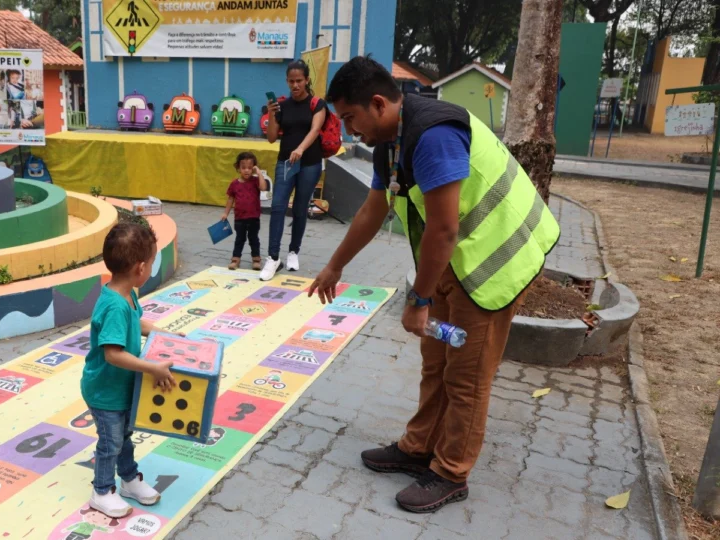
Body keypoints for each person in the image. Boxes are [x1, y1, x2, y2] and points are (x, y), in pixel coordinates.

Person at [308, 56, 559, 513]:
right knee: (436, 358)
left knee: (467, 377)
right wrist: (335, 265)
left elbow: (443, 230)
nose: (348, 132)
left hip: (492, 270)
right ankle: (418, 446)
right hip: (453, 267)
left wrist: (417, 300)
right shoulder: (390, 138)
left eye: (350, 119)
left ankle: (450, 472)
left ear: (379, 103)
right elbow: (373, 208)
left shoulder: (433, 136)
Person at [81, 222, 180, 518]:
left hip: (121, 389)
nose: (150, 268)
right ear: (140, 268)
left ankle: (128, 479)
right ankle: (101, 491)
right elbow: (112, 354)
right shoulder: (115, 305)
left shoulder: (125, 293)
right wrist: (152, 368)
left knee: (124, 436)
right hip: (105, 391)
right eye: (151, 262)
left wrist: (164, 335)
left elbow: (138, 324)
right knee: (111, 442)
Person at [262, 60, 327, 280]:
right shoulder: (282, 106)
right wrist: (272, 114)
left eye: (299, 80)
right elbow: (271, 138)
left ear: (307, 80)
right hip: (285, 163)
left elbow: (316, 129)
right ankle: (272, 257)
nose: (295, 85)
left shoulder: (317, 104)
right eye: (291, 81)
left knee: (300, 208)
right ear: (287, 82)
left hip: (310, 163)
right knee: (278, 206)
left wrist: (300, 148)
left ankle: (293, 251)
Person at [221, 152, 269, 271]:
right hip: (239, 218)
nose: (246, 170)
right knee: (239, 239)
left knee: (254, 239)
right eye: (243, 168)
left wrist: (259, 173)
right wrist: (225, 213)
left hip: (254, 217)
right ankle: (235, 259)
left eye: (249, 168)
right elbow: (230, 199)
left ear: (253, 168)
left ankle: (256, 259)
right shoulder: (234, 184)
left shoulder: (256, 181)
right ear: (238, 168)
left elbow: (263, 188)